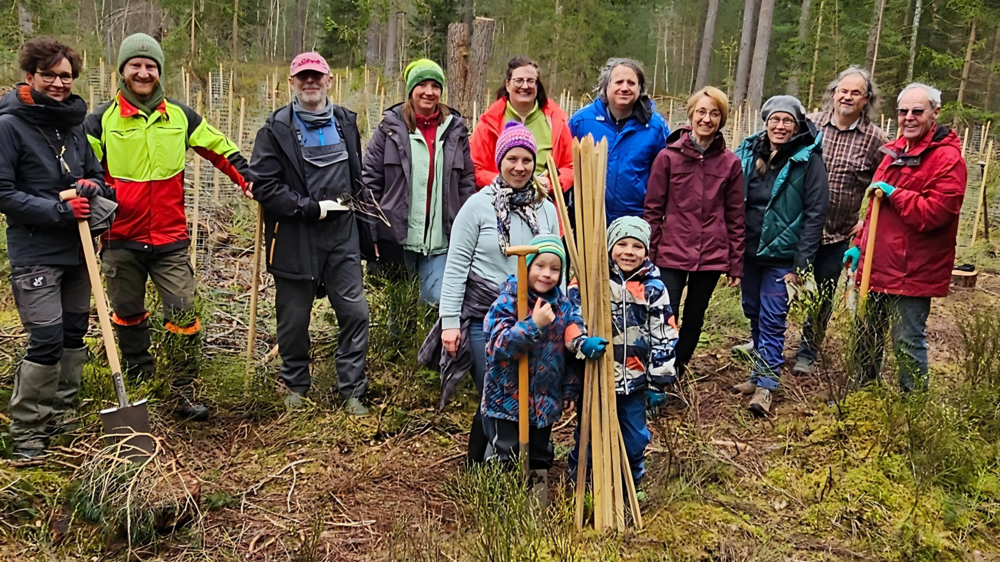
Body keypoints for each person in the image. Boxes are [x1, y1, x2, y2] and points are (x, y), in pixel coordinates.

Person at [85, 33, 251, 422]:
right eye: (136, 65)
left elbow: (219, 147)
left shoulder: (180, 116)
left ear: (160, 72)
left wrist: (247, 177)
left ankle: (181, 389)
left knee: (182, 311)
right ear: (122, 71)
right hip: (120, 237)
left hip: (169, 238)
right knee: (127, 312)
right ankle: (141, 381)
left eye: (151, 66)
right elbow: (84, 171)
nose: (143, 72)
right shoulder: (101, 121)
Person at [0, 38, 113, 459]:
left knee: (71, 334)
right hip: (35, 250)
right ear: (31, 76)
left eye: (66, 75)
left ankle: (63, 414)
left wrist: (90, 186)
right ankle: (28, 430)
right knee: (45, 339)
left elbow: (96, 175)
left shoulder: (75, 125)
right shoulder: (10, 127)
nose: (59, 83)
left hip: (78, 248)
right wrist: (56, 210)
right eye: (49, 75)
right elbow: (3, 193)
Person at [424, 122, 559, 466]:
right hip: (486, 315)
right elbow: (455, 268)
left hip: (533, 315)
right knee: (494, 389)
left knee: (524, 391)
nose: (519, 167)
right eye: (512, 158)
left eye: (526, 160)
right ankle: (482, 466)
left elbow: (557, 261)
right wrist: (450, 323)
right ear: (500, 161)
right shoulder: (477, 207)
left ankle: (513, 463)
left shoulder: (546, 209)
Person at [249, 52, 373, 415]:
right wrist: (308, 207)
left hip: (342, 234)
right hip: (294, 236)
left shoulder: (346, 122)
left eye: (316, 76)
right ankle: (297, 387)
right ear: (291, 83)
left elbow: (357, 175)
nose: (310, 82)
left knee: (355, 313)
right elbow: (264, 186)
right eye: (302, 77)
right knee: (293, 319)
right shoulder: (275, 130)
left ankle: (351, 389)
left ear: (329, 81)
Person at [845, 83, 966, 393]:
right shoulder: (894, 152)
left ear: (935, 113)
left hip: (912, 271)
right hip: (877, 264)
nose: (908, 117)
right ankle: (864, 396)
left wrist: (896, 194)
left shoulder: (947, 160)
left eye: (917, 111)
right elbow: (875, 209)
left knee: (906, 340)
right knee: (866, 334)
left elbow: (937, 213)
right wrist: (859, 246)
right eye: (903, 111)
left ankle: (910, 410)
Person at [481, 233, 606, 504]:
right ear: (527, 266)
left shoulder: (564, 306)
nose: (547, 274)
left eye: (555, 268)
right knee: (507, 452)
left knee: (539, 454)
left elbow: (570, 352)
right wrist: (532, 325)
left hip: (544, 402)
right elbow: (497, 347)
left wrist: (570, 391)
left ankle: (533, 509)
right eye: (540, 265)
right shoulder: (508, 301)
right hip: (506, 401)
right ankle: (499, 511)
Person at [568, 217, 678, 501]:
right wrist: (582, 343)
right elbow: (570, 318)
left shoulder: (654, 288)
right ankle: (579, 482)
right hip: (595, 378)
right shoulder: (592, 280)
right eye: (622, 244)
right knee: (589, 436)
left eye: (637, 246)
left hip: (635, 381)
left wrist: (659, 383)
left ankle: (631, 482)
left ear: (647, 251)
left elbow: (663, 335)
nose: (629, 251)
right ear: (609, 246)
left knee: (635, 439)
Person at [788, 67, 888, 375]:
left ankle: (808, 349)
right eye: (842, 90)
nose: (847, 97)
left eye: (855, 93)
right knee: (780, 288)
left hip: (837, 233)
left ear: (866, 99)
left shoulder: (875, 140)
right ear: (833, 93)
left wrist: (866, 222)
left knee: (822, 294)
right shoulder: (809, 125)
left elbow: (881, 185)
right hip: (796, 228)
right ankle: (766, 341)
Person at [733, 95, 828, 416]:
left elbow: (816, 213)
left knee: (773, 319)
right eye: (775, 119)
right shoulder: (748, 152)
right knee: (754, 313)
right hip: (749, 251)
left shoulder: (808, 160)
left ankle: (767, 385)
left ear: (797, 124)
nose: (780, 125)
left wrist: (801, 265)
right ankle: (757, 373)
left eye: (787, 120)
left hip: (782, 258)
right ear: (766, 121)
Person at [643, 86, 744, 380]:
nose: (707, 119)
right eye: (702, 111)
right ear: (691, 115)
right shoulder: (668, 158)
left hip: (711, 255)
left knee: (694, 318)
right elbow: (653, 210)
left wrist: (735, 263)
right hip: (671, 252)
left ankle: (676, 369)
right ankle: (656, 371)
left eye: (714, 113)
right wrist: (649, 255)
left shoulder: (730, 163)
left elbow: (736, 215)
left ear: (722, 119)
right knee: (665, 314)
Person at [362, 59, 475, 305]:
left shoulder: (455, 130)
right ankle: (400, 345)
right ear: (411, 89)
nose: (429, 91)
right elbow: (370, 181)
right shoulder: (389, 129)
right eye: (422, 84)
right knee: (400, 304)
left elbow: (466, 181)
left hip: (442, 238)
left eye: (435, 85)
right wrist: (371, 231)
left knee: (436, 300)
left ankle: (431, 344)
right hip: (397, 236)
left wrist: (466, 225)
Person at [569, 58, 669, 223]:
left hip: (634, 222)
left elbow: (666, 175)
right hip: (588, 222)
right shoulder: (582, 122)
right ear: (606, 87)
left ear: (640, 89)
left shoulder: (655, 127)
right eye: (619, 82)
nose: (625, 88)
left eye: (631, 83)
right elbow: (566, 167)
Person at [470, 56, 574, 195]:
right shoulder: (489, 123)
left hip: (543, 202)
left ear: (537, 85)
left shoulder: (555, 122)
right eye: (518, 80)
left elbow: (571, 166)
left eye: (530, 81)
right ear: (508, 84)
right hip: (498, 204)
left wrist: (552, 183)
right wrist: (503, 181)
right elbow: (475, 168)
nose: (525, 86)